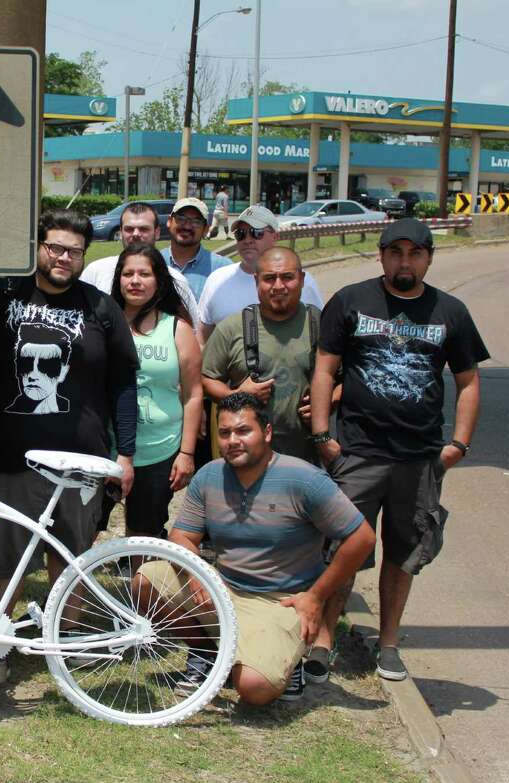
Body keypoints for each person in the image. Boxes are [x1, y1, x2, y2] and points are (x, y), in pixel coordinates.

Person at [309, 217, 488, 683]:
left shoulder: (451, 312)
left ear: (429, 257)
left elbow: (468, 382)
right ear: (381, 255)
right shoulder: (350, 301)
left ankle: (389, 643)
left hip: (419, 457)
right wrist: (323, 436)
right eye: (395, 252)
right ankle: (324, 641)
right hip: (357, 452)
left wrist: (459, 445)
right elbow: (325, 370)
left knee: (404, 552)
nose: (404, 261)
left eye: (414, 253)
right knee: (342, 549)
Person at [133, 393, 375, 704]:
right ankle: (209, 654)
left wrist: (316, 597)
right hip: (224, 589)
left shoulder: (304, 479)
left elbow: (362, 538)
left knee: (253, 688)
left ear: (267, 432)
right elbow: (182, 537)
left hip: (282, 603)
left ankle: (281, 660)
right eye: (225, 433)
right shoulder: (209, 475)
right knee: (146, 579)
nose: (232, 440)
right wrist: (198, 574)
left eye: (243, 431)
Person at [0, 208, 138, 615]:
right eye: (55, 248)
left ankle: (64, 640)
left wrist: (125, 455)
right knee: (2, 554)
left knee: (72, 554)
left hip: (79, 459)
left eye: (75, 251)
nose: (64, 258)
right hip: (7, 459)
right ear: (37, 247)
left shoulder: (101, 309)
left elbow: (123, 384)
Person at [201, 247, 334, 464]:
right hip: (248, 458)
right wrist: (235, 396)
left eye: (288, 277)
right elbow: (205, 379)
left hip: (309, 456)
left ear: (301, 279)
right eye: (270, 278)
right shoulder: (232, 328)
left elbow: (347, 378)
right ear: (257, 281)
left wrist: (326, 402)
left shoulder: (322, 324)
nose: (279, 286)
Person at [108, 243, 203, 538]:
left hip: (161, 449)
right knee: (84, 526)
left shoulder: (177, 328)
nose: (135, 281)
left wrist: (186, 453)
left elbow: (193, 394)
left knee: (144, 531)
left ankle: (140, 585)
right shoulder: (103, 322)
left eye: (144, 274)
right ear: (118, 279)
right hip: (105, 448)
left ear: (159, 280)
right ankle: (75, 585)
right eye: (128, 274)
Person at [196, 206, 324, 344]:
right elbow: (202, 339)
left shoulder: (299, 282)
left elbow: (321, 335)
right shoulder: (217, 280)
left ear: (275, 236)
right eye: (241, 234)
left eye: (256, 232)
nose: (247, 240)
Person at [79, 201, 200, 325]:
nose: (136, 234)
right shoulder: (95, 271)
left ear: (157, 232)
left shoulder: (176, 280)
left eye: (143, 229)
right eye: (129, 229)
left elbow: (194, 329)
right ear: (121, 232)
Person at [160, 197, 233, 304]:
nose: (187, 226)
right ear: (169, 222)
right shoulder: (154, 262)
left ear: (205, 230)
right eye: (181, 218)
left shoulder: (223, 269)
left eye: (196, 221)